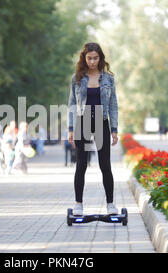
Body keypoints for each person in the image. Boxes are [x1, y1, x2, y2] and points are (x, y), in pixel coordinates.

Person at [67, 42, 119, 216]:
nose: (92, 61)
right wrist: (71, 129)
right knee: (81, 164)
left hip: (101, 121)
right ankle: (78, 204)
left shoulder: (108, 79)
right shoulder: (77, 79)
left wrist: (114, 129)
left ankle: (110, 204)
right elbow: (72, 104)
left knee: (105, 165)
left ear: (100, 58)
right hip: (83, 121)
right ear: (84, 58)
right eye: (89, 58)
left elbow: (113, 105)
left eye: (96, 58)